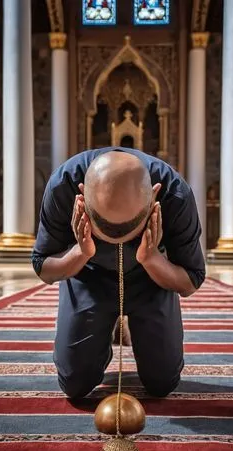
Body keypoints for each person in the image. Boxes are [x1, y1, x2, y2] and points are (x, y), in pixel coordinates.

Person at [32, 148, 205, 399]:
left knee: (162, 384)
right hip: (88, 274)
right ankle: (105, 330)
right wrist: (81, 253)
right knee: (75, 385)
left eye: (127, 231)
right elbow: (44, 269)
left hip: (151, 277)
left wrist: (151, 258)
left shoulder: (175, 193)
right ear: (82, 196)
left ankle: (126, 327)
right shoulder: (64, 184)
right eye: (106, 231)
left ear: (153, 197)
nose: (116, 243)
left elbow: (190, 282)